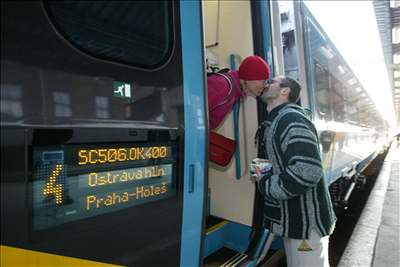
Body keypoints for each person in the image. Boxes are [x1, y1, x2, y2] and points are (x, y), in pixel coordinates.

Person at [254, 76, 336, 267]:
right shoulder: (276, 121)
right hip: (294, 222)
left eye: (272, 81)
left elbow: (308, 171)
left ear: (285, 91)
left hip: (306, 225)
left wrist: (266, 183)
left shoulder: (291, 119)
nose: (266, 83)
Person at [208, 55, 270, 130]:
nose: (265, 85)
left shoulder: (234, 92)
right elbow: (192, 112)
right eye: (263, 81)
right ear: (249, 78)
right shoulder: (222, 85)